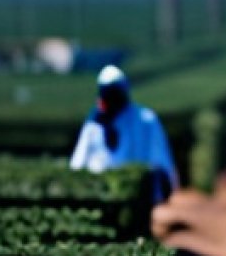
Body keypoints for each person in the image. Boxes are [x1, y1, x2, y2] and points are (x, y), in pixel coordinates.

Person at [69, 64, 178, 203]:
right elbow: (79, 160)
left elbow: (160, 160)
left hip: (137, 193)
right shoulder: (95, 121)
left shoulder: (145, 119)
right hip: (98, 192)